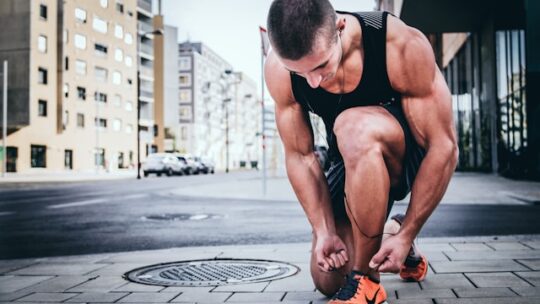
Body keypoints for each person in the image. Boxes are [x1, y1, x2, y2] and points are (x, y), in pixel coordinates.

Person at [264, 1, 459, 303]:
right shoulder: (278, 69)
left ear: (340, 28)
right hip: (349, 159)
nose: (312, 81)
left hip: (404, 155)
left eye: (319, 66)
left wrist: (411, 228)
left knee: (353, 125)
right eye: (299, 72)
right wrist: (324, 230)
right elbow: (300, 156)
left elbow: (443, 145)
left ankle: (367, 282)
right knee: (328, 278)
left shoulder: (397, 43)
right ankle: (392, 239)